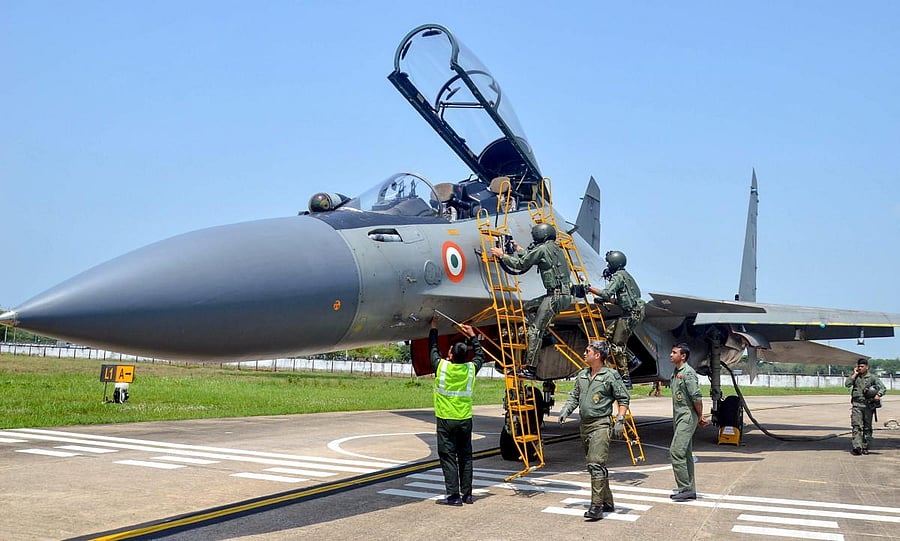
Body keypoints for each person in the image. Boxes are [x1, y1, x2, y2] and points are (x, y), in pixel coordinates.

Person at [558, 340, 630, 520]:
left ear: (597, 355)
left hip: (601, 424)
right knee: (594, 466)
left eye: (587, 351)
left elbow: (623, 399)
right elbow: (574, 396)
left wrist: (620, 419)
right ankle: (607, 502)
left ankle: (596, 506)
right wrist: (566, 410)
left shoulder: (610, 375)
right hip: (585, 425)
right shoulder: (582, 375)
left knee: (595, 464)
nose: (584, 353)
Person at [490, 223, 572, 380]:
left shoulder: (542, 249)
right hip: (563, 295)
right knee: (528, 307)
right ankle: (547, 336)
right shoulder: (556, 250)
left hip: (554, 296)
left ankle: (530, 369)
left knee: (534, 331)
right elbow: (531, 256)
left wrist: (502, 255)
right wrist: (518, 248)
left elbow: (520, 264)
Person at [429, 315, 485, 506]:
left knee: (448, 456)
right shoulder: (470, 369)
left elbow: (433, 350)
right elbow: (480, 356)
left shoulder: (442, 367)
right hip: (464, 419)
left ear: (451, 354)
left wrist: (434, 327)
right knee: (465, 456)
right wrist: (472, 335)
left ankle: (453, 496)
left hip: (446, 420)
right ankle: (467, 494)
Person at [586, 250, 645, 388]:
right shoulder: (627, 276)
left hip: (630, 315)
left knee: (617, 346)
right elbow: (624, 300)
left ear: (614, 263)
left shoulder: (618, 277)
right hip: (632, 312)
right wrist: (605, 300)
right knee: (608, 334)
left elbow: (607, 292)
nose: (607, 265)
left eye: (609, 263)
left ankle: (625, 378)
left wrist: (589, 289)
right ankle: (632, 359)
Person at [668, 342, 708, 501]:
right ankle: (690, 488)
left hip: (686, 416)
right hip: (678, 415)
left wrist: (700, 416)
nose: (671, 355)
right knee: (685, 453)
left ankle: (685, 488)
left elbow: (696, 397)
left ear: (683, 356)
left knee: (676, 451)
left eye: (674, 352)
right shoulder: (676, 372)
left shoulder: (688, 373)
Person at [845, 358, 886, 455]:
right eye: (859, 366)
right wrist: (854, 374)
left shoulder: (872, 377)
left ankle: (865, 446)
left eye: (862, 366)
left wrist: (878, 395)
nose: (860, 368)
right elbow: (847, 384)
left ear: (867, 367)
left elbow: (883, 388)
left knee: (867, 427)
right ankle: (857, 447)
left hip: (868, 405)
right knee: (856, 426)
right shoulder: (855, 377)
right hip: (857, 405)